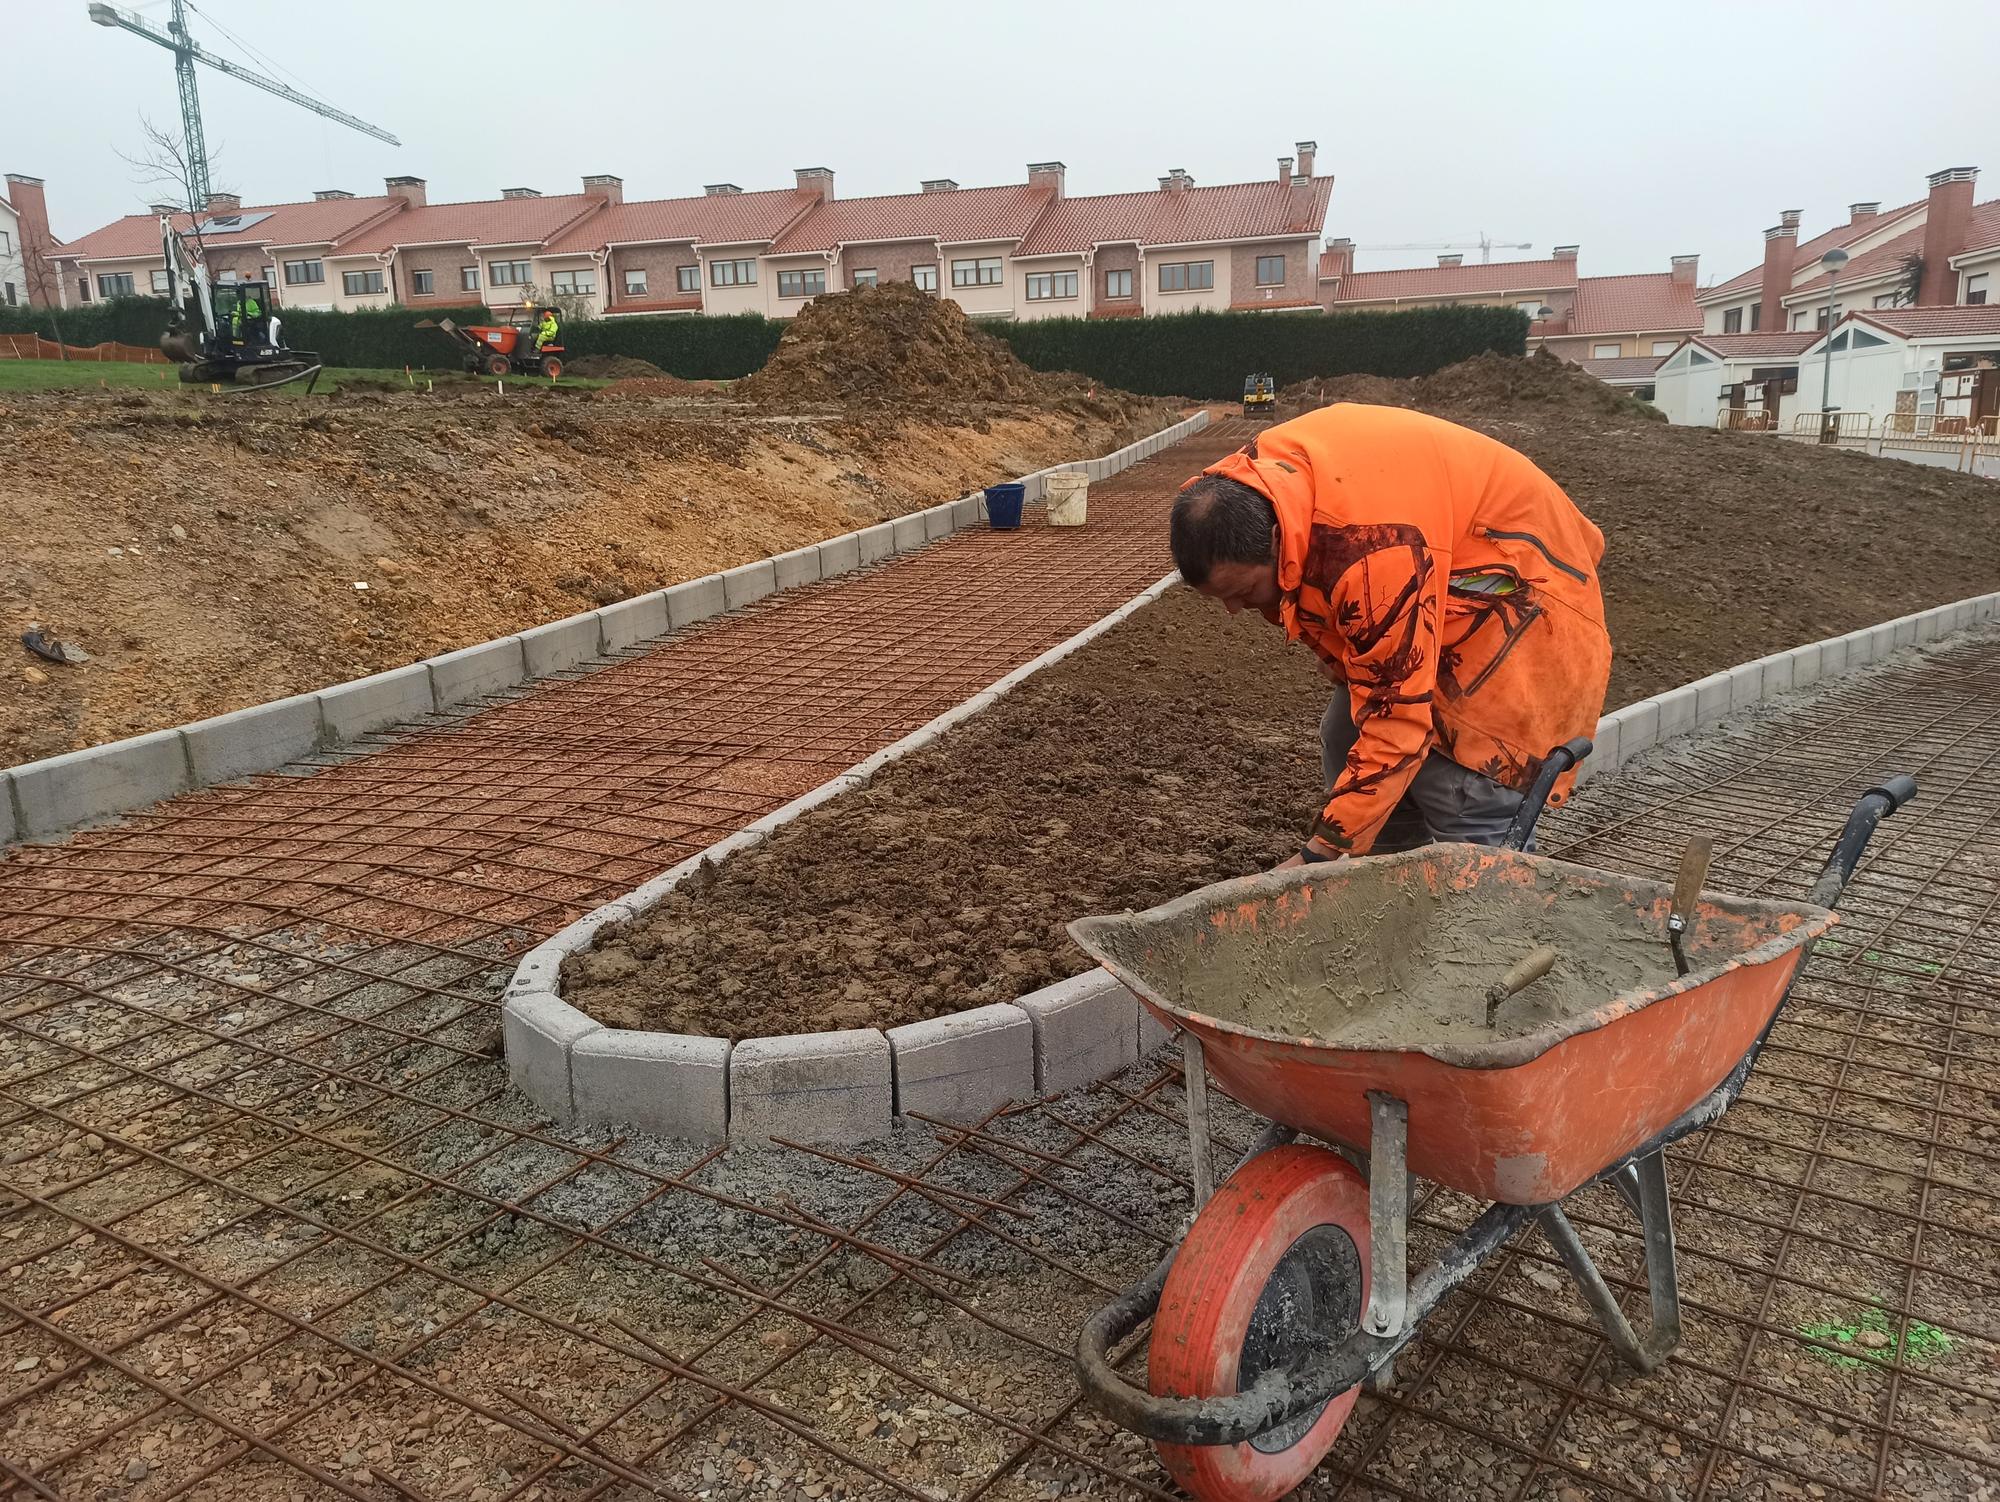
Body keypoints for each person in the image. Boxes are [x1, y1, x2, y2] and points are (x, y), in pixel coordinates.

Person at [1170, 402, 1611, 866]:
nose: (1233, 608)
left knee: (1462, 780)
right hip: (1433, 554)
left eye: (1242, 591)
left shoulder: (1372, 553)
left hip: (1521, 592)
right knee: (1344, 734)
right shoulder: (1255, 486)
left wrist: (1320, 853)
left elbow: (1398, 722)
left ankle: (1496, 913)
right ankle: (1387, 877)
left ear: (1278, 544)